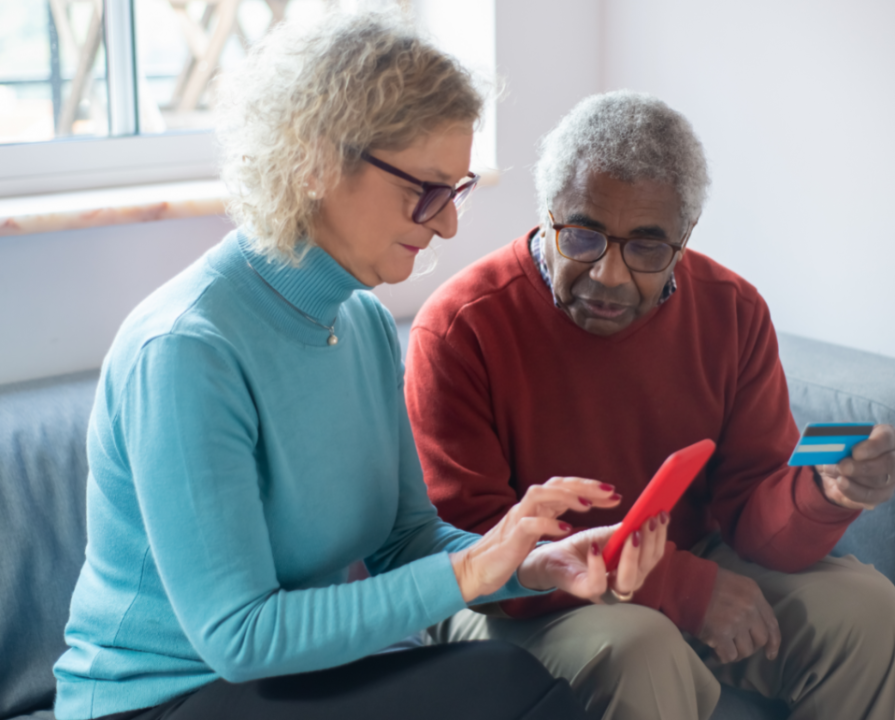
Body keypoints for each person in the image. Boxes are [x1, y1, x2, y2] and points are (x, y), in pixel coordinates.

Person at [52, 17, 668, 720]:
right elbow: (239, 637)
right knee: (505, 686)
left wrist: (529, 561)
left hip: (286, 683)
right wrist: (472, 570)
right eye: (426, 191)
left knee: (508, 679)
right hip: (160, 702)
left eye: (456, 191)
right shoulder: (188, 351)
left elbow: (403, 541)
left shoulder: (364, 323)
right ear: (314, 162)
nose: (446, 226)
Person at [405, 90, 895, 720]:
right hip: (508, 593)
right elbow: (474, 545)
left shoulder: (732, 310)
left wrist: (826, 494)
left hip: (686, 552)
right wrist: (675, 587)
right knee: (641, 646)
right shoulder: (461, 327)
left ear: (684, 236)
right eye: (584, 237)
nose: (610, 275)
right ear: (548, 214)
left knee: (869, 611)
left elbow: (754, 510)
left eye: (647, 248)